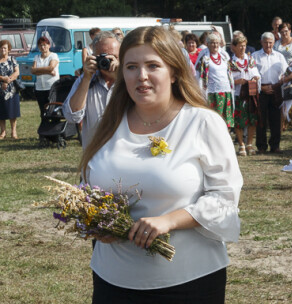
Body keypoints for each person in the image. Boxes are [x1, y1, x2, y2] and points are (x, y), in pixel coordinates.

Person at [78, 26, 242, 303]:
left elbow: (225, 199)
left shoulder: (202, 123)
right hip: (112, 280)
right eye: (131, 67)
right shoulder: (109, 124)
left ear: (175, 71)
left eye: (153, 65)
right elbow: (88, 187)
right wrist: (93, 221)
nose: (141, 76)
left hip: (188, 281)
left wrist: (169, 220)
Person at [63, 31, 121, 149]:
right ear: (93, 56)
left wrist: (120, 77)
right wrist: (86, 78)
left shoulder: (130, 81)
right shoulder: (85, 81)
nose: (108, 61)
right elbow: (72, 116)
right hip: (95, 155)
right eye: (103, 57)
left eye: (114, 56)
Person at [252, 32, 287, 154]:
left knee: (275, 119)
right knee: (261, 119)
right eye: (266, 42)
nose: (268, 44)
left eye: (270, 42)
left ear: (273, 43)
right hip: (261, 90)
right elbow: (251, 74)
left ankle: (275, 145)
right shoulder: (255, 56)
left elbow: (284, 72)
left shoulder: (279, 56)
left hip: (276, 90)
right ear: (261, 42)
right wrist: (261, 87)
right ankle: (261, 146)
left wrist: (281, 82)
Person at [229, 35, 261, 156]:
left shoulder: (250, 59)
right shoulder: (231, 62)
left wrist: (256, 77)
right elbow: (228, 79)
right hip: (239, 93)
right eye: (240, 46)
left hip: (251, 91)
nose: (243, 48)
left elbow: (256, 73)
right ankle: (241, 144)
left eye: (244, 45)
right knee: (239, 119)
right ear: (234, 47)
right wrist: (237, 81)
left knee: (252, 118)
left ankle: (249, 143)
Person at [195, 33, 235, 128]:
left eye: (217, 43)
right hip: (212, 93)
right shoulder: (204, 58)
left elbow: (229, 72)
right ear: (207, 44)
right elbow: (199, 76)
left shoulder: (224, 56)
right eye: (212, 43)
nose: (215, 45)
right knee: (214, 120)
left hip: (226, 91)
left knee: (226, 120)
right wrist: (201, 91)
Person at [31, 36, 60, 123]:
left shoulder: (53, 56)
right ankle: (44, 133)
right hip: (40, 88)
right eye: (40, 45)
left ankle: (55, 132)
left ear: (49, 45)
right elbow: (32, 70)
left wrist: (39, 70)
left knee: (53, 109)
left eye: (44, 45)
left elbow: (51, 67)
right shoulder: (36, 57)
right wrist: (47, 71)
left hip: (51, 87)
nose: (43, 47)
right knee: (43, 111)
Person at [0, 40, 21, 140]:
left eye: (5, 48)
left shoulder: (13, 59)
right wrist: (2, 78)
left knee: (13, 111)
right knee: (1, 112)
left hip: (12, 90)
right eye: (1, 48)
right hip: (0, 90)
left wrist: (7, 80)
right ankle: (3, 132)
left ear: (9, 49)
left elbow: (17, 72)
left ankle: (14, 132)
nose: (3, 50)